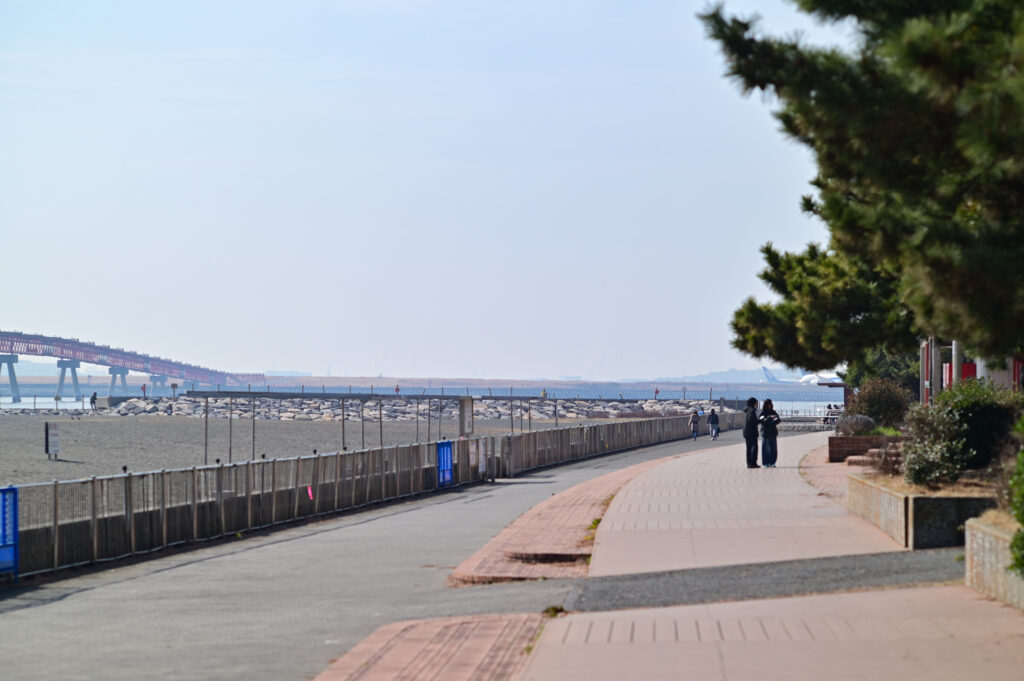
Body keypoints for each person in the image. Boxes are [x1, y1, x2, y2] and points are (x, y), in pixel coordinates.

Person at [759, 399, 782, 467]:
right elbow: (761, 421)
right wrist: (769, 418)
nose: (769, 405)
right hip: (765, 433)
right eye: (768, 404)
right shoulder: (762, 412)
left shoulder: (773, 412)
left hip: (773, 432)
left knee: (773, 448)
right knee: (765, 449)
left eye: (770, 404)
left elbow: (778, 420)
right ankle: (765, 462)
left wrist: (774, 421)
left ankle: (772, 462)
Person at [743, 397, 760, 468]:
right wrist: (761, 420)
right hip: (752, 432)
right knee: (754, 448)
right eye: (756, 402)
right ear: (753, 403)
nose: (757, 404)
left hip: (746, 432)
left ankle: (749, 463)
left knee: (748, 448)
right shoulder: (752, 411)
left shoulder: (747, 410)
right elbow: (752, 421)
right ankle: (753, 463)